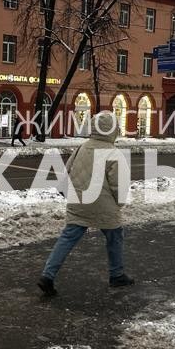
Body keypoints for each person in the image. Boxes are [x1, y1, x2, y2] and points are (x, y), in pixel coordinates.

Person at [37, 110, 134, 296]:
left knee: (68, 237)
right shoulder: (114, 153)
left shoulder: (82, 147)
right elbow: (119, 186)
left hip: (78, 201)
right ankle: (117, 275)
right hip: (104, 205)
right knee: (115, 236)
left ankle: (47, 276)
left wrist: (69, 196)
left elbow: (67, 173)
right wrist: (118, 205)